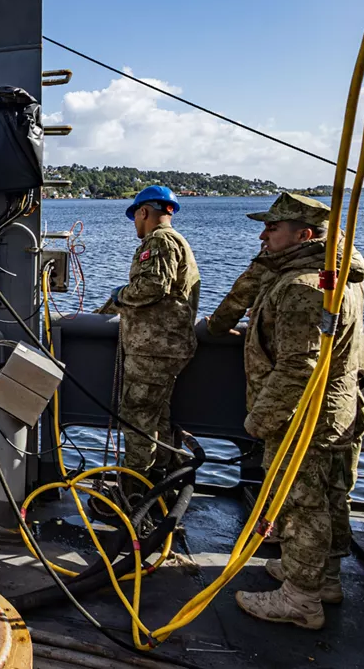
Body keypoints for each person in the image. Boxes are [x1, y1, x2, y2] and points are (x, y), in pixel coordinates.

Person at [234, 192, 364, 630]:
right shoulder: (337, 277)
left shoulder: (302, 288)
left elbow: (298, 367)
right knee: (329, 499)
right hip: (334, 412)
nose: (263, 234)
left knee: (300, 507)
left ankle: (300, 600)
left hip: (303, 420)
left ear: (304, 235)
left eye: (273, 228)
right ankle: (322, 579)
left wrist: (262, 419)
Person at [98, 185, 200, 508]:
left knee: (137, 420)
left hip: (152, 351)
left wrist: (119, 296)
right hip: (168, 349)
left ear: (144, 212)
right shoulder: (179, 243)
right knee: (158, 421)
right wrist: (109, 307)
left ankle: (132, 497)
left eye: (135, 217)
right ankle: (160, 493)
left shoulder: (159, 240)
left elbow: (152, 287)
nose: (135, 225)